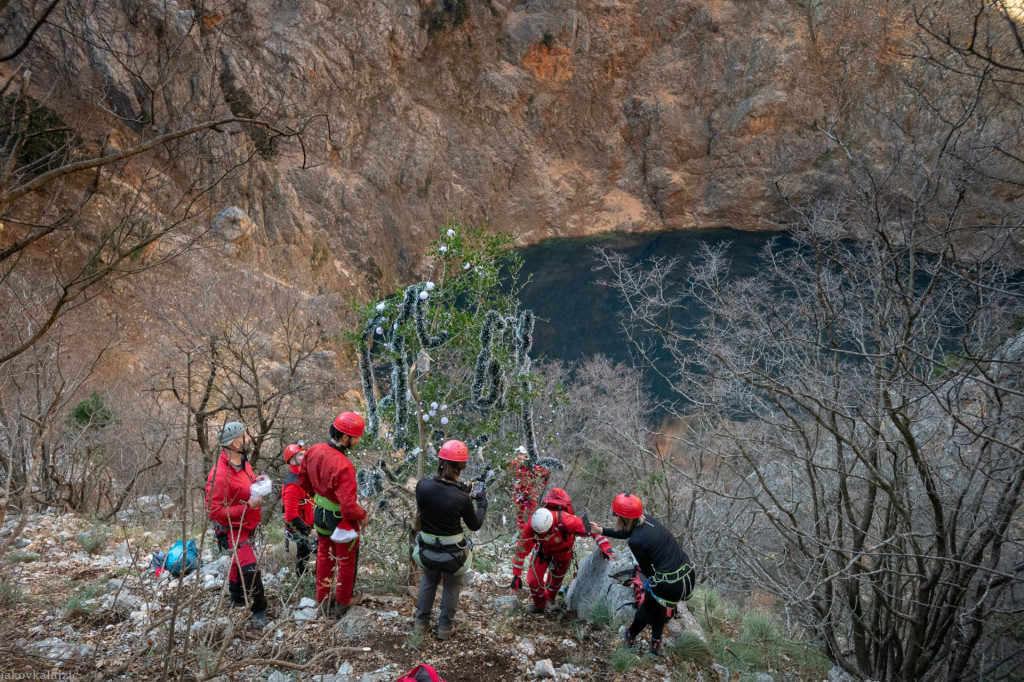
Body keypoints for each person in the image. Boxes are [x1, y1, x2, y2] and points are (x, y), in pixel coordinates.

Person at [590, 493, 695, 657]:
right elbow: (627, 532)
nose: (616, 518)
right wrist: (601, 530)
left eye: (617, 516)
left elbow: (647, 570)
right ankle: (655, 642)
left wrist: (654, 582)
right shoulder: (646, 519)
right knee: (658, 602)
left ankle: (630, 635)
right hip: (687, 576)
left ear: (624, 518)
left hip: (671, 584)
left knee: (648, 605)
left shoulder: (636, 542)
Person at [413, 439, 487, 640]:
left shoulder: (422, 487)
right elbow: (474, 524)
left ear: (440, 461)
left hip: (426, 551)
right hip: (452, 556)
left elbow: (439, 497)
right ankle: (445, 627)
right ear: (461, 467)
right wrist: (482, 503)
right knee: (452, 585)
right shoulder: (461, 498)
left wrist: (460, 490)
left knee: (428, 581)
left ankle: (421, 623)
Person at [298, 412, 367, 617]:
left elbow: (303, 480)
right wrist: (362, 515)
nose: (358, 441)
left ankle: (323, 600)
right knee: (345, 559)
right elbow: (348, 507)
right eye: (356, 438)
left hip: (319, 512)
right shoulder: (344, 465)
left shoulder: (313, 450)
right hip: (340, 518)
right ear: (345, 438)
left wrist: (319, 496)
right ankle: (343, 602)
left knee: (324, 555)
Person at [205, 421, 269, 628]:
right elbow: (214, 512)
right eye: (244, 436)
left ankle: (236, 596)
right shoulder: (219, 476)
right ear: (234, 443)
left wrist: (256, 480)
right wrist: (247, 508)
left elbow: (244, 483)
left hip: (246, 524)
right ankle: (259, 609)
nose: (248, 438)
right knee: (250, 568)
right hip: (231, 530)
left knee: (238, 561)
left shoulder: (242, 462)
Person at [510, 488, 615, 613]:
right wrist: (516, 575)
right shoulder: (533, 524)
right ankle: (539, 604)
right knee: (533, 580)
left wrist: (606, 547)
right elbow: (521, 549)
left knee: (555, 580)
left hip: (563, 553)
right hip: (542, 550)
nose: (541, 533)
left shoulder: (566, 520)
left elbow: (593, 529)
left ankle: (550, 598)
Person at [281, 442, 316, 577]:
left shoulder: (305, 476)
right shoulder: (292, 484)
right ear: (292, 460)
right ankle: (303, 579)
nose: (305, 456)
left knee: (306, 553)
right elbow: (290, 516)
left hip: (309, 522)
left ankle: (305, 577)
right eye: (301, 455)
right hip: (299, 527)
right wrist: (309, 530)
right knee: (313, 552)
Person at [508, 445, 550, 529]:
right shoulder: (513, 465)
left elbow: (546, 475)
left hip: (529, 494)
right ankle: (522, 535)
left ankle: (532, 533)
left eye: (521, 454)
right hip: (518, 494)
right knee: (519, 516)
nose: (519, 456)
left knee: (533, 516)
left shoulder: (530, 465)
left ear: (525, 455)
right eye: (518, 454)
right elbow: (505, 469)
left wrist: (538, 488)